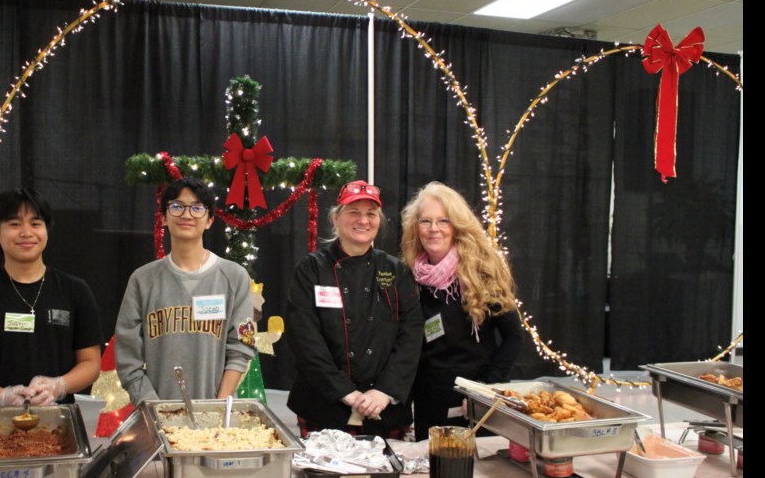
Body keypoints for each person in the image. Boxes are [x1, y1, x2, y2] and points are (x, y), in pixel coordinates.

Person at [286, 180, 423, 438]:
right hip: (324, 404)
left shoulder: (395, 270)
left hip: (383, 408)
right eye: (354, 212)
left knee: (387, 477)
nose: (363, 221)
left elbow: (411, 334)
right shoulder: (312, 269)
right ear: (336, 218)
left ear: (379, 221)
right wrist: (344, 391)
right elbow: (305, 338)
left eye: (371, 214)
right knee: (325, 477)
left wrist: (384, 391)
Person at [0, 188, 102, 408]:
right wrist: (2, 396)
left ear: (46, 230)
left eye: (35, 224)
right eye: (14, 224)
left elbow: (91, 363)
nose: (26, 233)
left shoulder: (75, 291)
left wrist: (58, 386)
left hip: (58, 419)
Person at [400, 182, 523, 440]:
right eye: (426, 221)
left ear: (457, 225)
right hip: (429, 400)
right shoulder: (409, 275)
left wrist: (487, 389)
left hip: (476, 402)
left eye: (443, 221)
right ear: (416, 227)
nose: (434, 229)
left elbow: (513, 337)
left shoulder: (482, 271)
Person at [115, 178, 254, 404]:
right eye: (177, 206)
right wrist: (156, 409)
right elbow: (128, 360)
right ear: (163, 218)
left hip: (216, 418)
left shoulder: (234, 277)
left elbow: (241, 348)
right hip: (156, 416)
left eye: (197, 208)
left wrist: (217, 407)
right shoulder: (142, 279)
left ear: (209, 220)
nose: (187, 215)